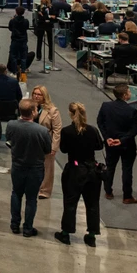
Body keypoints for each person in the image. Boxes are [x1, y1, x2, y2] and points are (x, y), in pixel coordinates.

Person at [56, 102, 103, 246]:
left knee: (70, 203)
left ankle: (66, 234)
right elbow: (99, 146)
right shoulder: (93, 130)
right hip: (92, 171)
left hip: (75, 170)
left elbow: (63, 149)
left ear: (71, 114)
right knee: (93, 203)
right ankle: (92, 236)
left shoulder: (67, 131)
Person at [5, 99, 51, 236]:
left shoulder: (11, 125)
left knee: (16, 194)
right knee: (31, 199)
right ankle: (27, 228)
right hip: (35, 168)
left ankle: (14, 224)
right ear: (33, 112)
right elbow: (48, 149)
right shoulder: (42, 131)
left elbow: (9, 140)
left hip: (17, 165)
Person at [97, 83, 137, 204]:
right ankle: (127, 196)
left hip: (110, 144)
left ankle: (108, 191)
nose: (131, 93)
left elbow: (100, 122)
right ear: (125, 95)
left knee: (110, 167)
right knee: (127, 170)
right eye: (129, 92)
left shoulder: (106, 106)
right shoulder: (132, 111)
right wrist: (122, 140)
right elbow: (134, 130)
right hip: (127, 145)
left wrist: (107, 138)